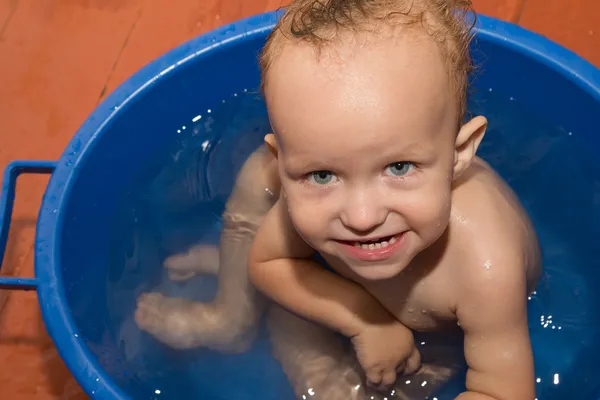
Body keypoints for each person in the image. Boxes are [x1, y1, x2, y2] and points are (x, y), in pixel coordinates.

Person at [135, 1, 541, 399]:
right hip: (351, 288)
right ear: (287, 164)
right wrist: (365, 321)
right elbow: (268, 262)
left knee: (350, 388)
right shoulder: (312, 196)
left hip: (437, 342)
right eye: (322, 174)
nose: (361, 216)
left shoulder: (485, 267)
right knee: (258, 179)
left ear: (460, 153)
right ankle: (231, 316)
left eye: (399, 167)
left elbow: (502, 391)